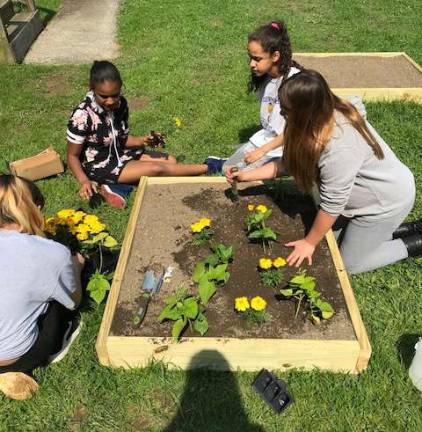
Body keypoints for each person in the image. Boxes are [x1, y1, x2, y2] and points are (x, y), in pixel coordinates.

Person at [229, 70, 421, 274]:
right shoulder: (315, 119)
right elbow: (291, 163)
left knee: (348, 264)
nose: (282, 114)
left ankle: (416, 242)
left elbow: (332, 205)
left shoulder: (339, 147)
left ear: (305, 112)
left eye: (286, 110)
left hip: (384, 203)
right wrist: (247, 176)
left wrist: (309, 242)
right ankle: (405, 229)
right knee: (334, 242)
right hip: (365, 197)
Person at [67, 61, 225, 208]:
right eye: (104, 96)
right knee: (157, 169)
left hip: (119, 153)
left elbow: (120, 139)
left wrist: (143, 140)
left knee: (171, 161)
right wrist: (84, 180)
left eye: (115, 95)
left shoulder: (120, 104)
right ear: (92, 88)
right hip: (98, 165)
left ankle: (118, 186)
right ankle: (209, 166)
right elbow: (72, 156)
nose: (110, 101)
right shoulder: (82, 115)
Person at [0, 174, 83, 399]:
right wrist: (76, 267)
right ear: (33, 208)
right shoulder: (50, 253)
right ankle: (16, 368)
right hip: (14, 354)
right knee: (56, 304)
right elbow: (73, 300)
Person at [223, 20, 301, 177]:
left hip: (287, 146)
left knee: (242, 175)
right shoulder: (266, 79)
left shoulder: (294, 83)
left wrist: (262, 151)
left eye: (257, 59)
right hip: (266, 140)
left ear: (275, 56)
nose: (251, 64)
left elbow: (295, 130)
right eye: (250, 57)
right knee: (227, 169)